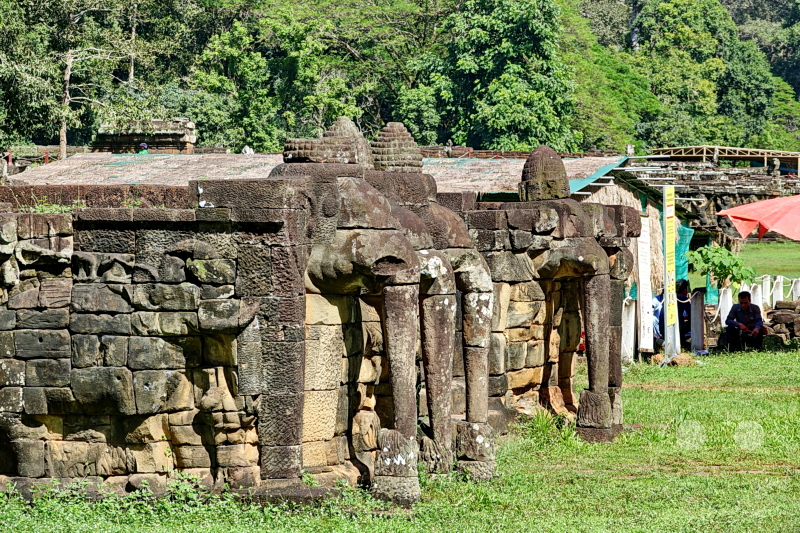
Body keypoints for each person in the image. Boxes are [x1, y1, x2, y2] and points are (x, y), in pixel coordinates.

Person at [676, 279, 692, 349]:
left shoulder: (671, 297)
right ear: (685, 289)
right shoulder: (682, 298)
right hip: (678, 328)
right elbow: (692, 314)